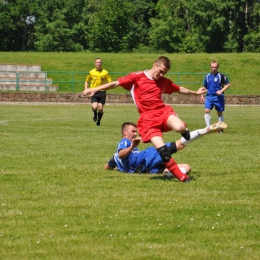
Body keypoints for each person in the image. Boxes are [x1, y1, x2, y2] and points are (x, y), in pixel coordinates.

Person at [83, 56, 206, 183]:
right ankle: (182, 178)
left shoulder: (163, 81)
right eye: (161, 71)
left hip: (162, 112)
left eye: (165, 73)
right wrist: (94, 89)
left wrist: (196, 93)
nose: (162, 74)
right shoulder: (137, 77)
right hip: (148, 119)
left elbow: (179, 89)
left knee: (180, 127)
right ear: (154, 65)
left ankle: (183, 130)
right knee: (163, 151)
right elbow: (115, 83)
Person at [104, 121, 227, 177]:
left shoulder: (114, 158)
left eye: (136, 132)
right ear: (125, 133)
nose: (135, 134)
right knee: (180, 147)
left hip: (145, 167)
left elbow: (108, 166)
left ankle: (205, 130)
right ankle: (205, 130)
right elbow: (121, 154)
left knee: (186, 166)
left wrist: (111, 168)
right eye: (133, 131)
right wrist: (132, 147)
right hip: (146, 158)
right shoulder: (125, 141)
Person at [201, 61, 230, 132]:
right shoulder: (207, 76)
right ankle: (208, 128)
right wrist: (202, 95)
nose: (214, 68)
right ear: (210, 67)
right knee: (206, 110)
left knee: (219, 112)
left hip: (218, 97)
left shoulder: (221, 76)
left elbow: (228, 84)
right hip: (209, 97)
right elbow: (204, 87)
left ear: (218, 67)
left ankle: (220, 129)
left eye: (215, 67)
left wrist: (221, 91)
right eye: (212, 67)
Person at [82, 58, 112, 126]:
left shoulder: (105, 72)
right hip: (94, 92)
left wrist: (107, 88)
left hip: (102, 92)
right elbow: (86, 81)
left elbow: (110, 82)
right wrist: (86, 89)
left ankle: (98, 121)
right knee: (95, 107)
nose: (99, 63)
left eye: (100, 62)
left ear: (101, 63)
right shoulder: (91, 72)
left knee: (100, 107)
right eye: (97, 62)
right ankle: (95, 113)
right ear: (95, 63)